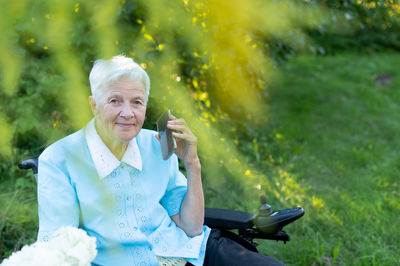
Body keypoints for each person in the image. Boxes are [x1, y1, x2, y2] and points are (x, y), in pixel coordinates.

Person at [37, 55, 284, 266]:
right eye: (115, 101)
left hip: (185, 252)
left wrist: (192, 164)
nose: (128, 113)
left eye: (137, 102)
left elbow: (190, 227)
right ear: (94, 105)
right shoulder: (59, 161)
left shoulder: (155, 144)